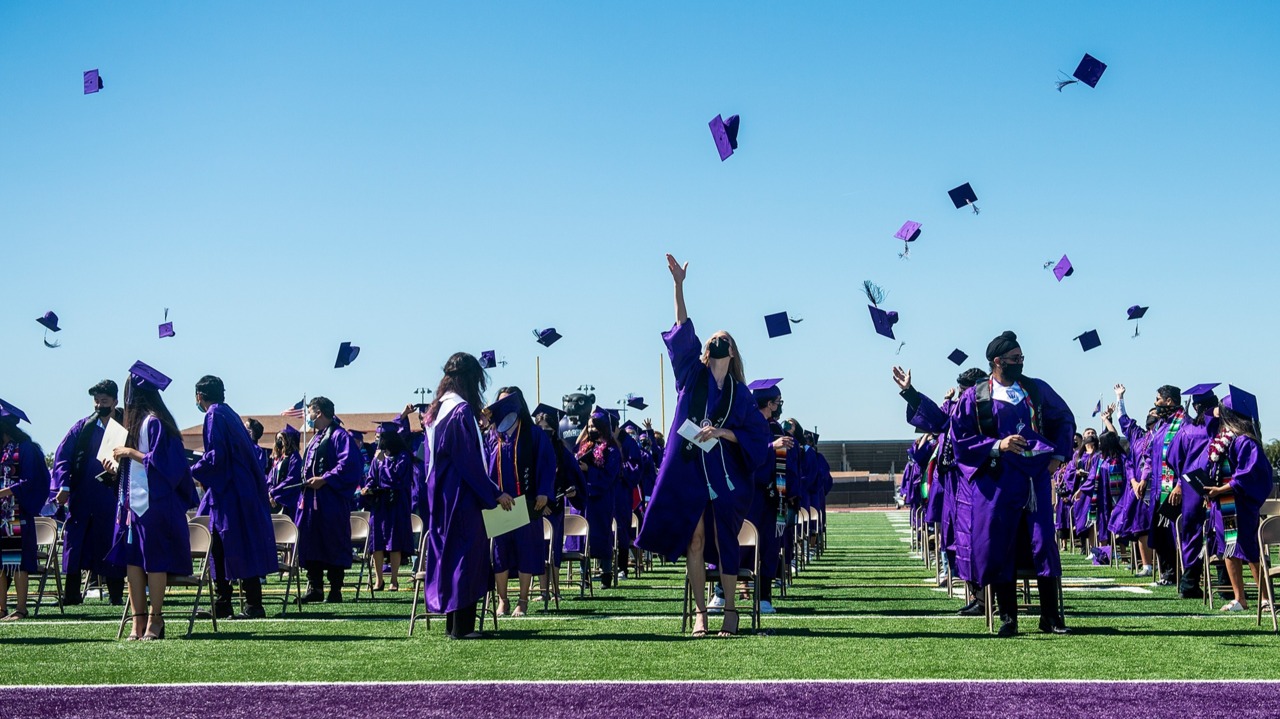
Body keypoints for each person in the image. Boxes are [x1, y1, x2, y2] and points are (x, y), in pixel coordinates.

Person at [636, 254, 771, 638]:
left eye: (723, 339)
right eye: (713, 338)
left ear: (732, 352)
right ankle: (700, 614)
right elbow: (681, 327)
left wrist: (724, 434)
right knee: (694, 539)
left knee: (723, 538)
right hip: (690, 469)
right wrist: (678, 286)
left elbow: (756, 438)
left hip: (724, 477)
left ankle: (731, 609)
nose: (717, 339)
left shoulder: (740, 396)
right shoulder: (691, 377)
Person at [951, 331, 1075, 637]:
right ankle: (1008, 616)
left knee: (1044, 542)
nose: (1020, 363)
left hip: (1034, 479)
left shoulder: (1034, 389)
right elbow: (960, 438)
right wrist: (997, 444)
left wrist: (1057, 458)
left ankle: (1050, 617)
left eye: (1021, 358)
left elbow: (1065, 418)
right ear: (997, 362)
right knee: (998, 543)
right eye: (1014, 359)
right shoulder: (976, 396)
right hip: (997, 482)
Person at [102, 362, 195, 641]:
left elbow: (169, 463)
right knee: (133, 561)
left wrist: (130, 452)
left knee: (153, 560)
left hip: (155, 505)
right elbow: (132, 468)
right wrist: (115, 467)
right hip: (132, 505)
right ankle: (137, 621)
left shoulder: (154, 422)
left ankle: (156, 619)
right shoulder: (132, 425)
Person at [422, 352, 505, 639]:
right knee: (466, 556)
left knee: (450, 556)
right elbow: (469, 462)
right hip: (462, 498)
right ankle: (463, 628)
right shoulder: (460, 412)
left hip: (441, 498)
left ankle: (452, 625)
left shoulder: (436, 412)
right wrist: (494, 494)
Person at [190, 375, 279, 619]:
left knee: (228, 545)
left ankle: (248, 604)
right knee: (230, 544)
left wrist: (193, 470)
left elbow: (216, 457)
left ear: (200, 395)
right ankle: (227, 603)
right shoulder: (228, 413)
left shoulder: (213, 415)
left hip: (231, 493)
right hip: (239, 489)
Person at [50, 380, 126, 606]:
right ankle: (72, 595)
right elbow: (62, 458)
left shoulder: (125, 427)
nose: (99, 405)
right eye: (96, 401)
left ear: (115, 401)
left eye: (104, 400)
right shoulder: (82, 428)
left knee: (112, 541)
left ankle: (116, 595)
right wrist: (63, 486)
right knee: (75, 542)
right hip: (83, 494)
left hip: (112, 496)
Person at [1198, 390, 1273, 611]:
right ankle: (1240, 598)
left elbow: (1248, 474)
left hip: (1239, 503)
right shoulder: (1224, 439)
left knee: (1248, 550)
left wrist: (1220, 489)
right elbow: (1209, 425)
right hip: (1225, 503)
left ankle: (1265, 597)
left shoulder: (1245, 442)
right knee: (1229, 548)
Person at [486, 388, 554, 616]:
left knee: (527, 550)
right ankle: (503, 600)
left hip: (527, 504)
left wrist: (544, 492)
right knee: (500, 554)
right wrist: (494, 493)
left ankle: (522, 601)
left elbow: (546, 463)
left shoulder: (533, 433)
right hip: (499, 505)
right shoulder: (492, 435)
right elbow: (483, 470)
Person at [296, 396, 363, 604]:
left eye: (310, 412)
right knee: (311, 541)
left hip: (330, 501)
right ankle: (315, 587)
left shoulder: (339, 436)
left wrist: (324, 479)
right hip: (311, 502)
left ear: (320, 413)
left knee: (333, 542)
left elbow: (349, 464)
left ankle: (335, 589)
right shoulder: (317, 437)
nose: (308, 416)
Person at [0, 399, 52, 621]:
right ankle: (1, 608)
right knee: (0, 564)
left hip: (18, 513)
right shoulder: (2, 451)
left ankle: (21, 608)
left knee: (19, 562)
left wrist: (6, 493)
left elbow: (33, 480)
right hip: (2, 516)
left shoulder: (27, 449)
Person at [532, 403, 584, 602]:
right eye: (541, 429)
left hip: (555, 506)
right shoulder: (533, 449)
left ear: (555, 430)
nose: (545, 432)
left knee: (554, 550)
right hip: (537, 508)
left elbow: (574, 478)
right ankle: (543, 592)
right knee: (539, 549)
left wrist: (572, 491)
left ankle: (556, 592)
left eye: (548, 429)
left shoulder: (562, 452)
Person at [1101, 399, 1158, 576]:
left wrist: (1144, 479)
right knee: (1140, 526)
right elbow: (1123, 419)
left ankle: (1162, 566)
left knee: (1158, 527)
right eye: (1151, 413)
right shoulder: (1138, 436)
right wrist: (1120, 398)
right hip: (1137, 489)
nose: (1152, 415)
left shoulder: (1163, 435)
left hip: (1156, 486)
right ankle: (1146, 565)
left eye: (1156, 413)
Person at [746, 378, 789, 614]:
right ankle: (721, 592)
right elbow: (747, 455)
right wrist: (773, 446)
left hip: (773, 498)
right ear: (770, 404)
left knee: (770, 547)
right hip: (749, 495)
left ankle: (764, 596)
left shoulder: (775, 429)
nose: (780, 406)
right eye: (778, 402)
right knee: (739, 542)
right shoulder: (747, 426)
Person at [361, 422, 415, 592]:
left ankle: (394, 579)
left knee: (394, 542)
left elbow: (395, 479)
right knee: (377, 542)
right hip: (380, 505)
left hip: (396, 504)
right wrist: (367, 487)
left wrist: (382, 462)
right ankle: (378, 580)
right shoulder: (378, 457)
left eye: (380, 437)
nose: (378, 441)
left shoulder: (403, 457)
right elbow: (371, 477)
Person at [575, 409, 622, 588]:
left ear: (602, 427)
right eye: (588, 426)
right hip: (584, 499)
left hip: (601, 499)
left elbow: (609, 476)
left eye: (593, 426)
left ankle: (606, 575)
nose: (590, 429)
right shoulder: (585, 447)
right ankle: (584, 577)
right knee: (582, 537)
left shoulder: (612, 450)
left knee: (601, 535)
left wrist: (590, 470)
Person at [269, 425, 303, 514]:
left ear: (289, 440)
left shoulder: (295, 458)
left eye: (281, 439)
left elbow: (291, 480)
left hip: (289, 501)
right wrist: (270, 494)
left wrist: (274, 493)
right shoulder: (279, 459)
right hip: (275, 500)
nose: (278, 442)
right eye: (277, 439)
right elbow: (270, 478)